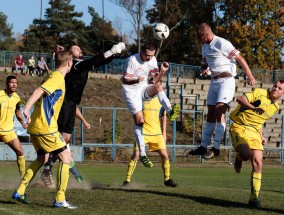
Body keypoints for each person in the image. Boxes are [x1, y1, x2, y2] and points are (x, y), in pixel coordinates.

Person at [40, 42, 126, 187]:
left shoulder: (82, 64)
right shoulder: (74, 64)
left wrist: (115, 54)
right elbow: (93, 61)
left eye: (80, 48)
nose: (79, 49)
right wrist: (111, 51)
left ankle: (48, 167)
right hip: (64, 103)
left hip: (71, 104)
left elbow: (97, 62)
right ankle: (47, 169)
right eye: (75, 48)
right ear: (70, 54)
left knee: (65, 139)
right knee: (61, 139)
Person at [12, 50, 77, 209]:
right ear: (69, 63)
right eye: (72, 62)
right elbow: (39, 91)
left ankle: (20, 191)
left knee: (42, 159)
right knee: (66, 160)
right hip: (46, 127)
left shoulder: (51, 74)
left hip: (36, 126)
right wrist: (26, 109)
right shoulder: (57, 77)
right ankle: (60, 199)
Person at [188, 23, 256, 159]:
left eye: (200, 36)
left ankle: (216, 147)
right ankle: (203, 146)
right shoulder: (205, 47)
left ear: (206, 34)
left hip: (226, 81)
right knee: (211, 113)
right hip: (214, 82)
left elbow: (240, 59)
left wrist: (250, 76)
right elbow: (204, 64)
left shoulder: (222, 43)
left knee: (220, 110)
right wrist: (204, 70)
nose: (199, 39)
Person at [122, 42, 180, 168]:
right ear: (142, 51)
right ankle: (142, 154)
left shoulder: (152, 60)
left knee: (158, 86)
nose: (149, 58)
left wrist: (162, 71)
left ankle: (170, 111)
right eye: (147, 55)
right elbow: (125, 80)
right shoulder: (132, 60)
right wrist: (136, 80)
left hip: (143, 89)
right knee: (140, 121)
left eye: (151, 55)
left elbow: (154, 80)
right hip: (130, 92)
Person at [229, 80, 284, 207]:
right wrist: (253, 107)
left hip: (254, 132)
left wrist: (261, 136)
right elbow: (240, 99)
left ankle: (254, 198)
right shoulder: (260, 92)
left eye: (279, 88)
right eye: (275, 86)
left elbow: (259, 121)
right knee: (245, 155)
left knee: (258, 163)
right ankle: (239, 156)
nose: (275, 89)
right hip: (239, 126)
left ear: (283, 93)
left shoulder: (275, 107)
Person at [121, 79, 178, 188]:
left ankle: (167, 179)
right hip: (142, 132)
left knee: (165, 156)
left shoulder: (160, 99)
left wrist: (164, 132)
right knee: (136, 155)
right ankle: (127, 180)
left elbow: (163, 116)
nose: (154, 85)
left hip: (156, 133)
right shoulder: (141, 97)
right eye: (152, 83)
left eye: (156, 83)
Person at [0, 75, 27, 179]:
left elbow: (17, 112)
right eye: (11, 82)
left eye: (15, 82)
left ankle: (23, 179)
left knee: (20, 151)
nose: (14, 84)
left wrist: (23, 123)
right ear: (7, 84)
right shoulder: (0, 94)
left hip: (8, 130)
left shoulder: (17, 98)